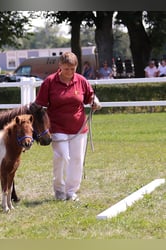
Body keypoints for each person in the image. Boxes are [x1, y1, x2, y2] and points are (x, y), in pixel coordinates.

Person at [32, 51, 101, 202]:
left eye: (72, 69)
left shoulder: (81, 80)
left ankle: (71, 191)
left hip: (79, 127)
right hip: (56, 127)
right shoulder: (49, 82)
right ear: (60, 66)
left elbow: (90, 96)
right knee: (62, 156)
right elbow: (39, 103)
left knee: (77, 159)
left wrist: (95, 102)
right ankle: (59, 188)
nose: (69, 72)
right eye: (66, 69)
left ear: (76, 67)